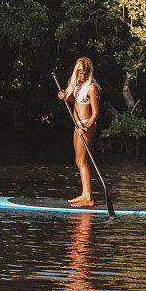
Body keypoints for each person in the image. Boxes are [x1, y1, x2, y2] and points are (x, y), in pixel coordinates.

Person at [57, 57, 100, 207]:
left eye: (85, 73)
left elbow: (95, 114)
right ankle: (85, 194)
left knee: (82, 161)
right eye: (79, 73)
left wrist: (86, 127)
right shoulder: (77, 85)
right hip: (77, 126)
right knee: (79, 160)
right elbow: (71, 99)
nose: (82, 76)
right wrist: (63, 95)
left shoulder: (91, 87)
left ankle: (89, 197)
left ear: (89, 72)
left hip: (86, 126)